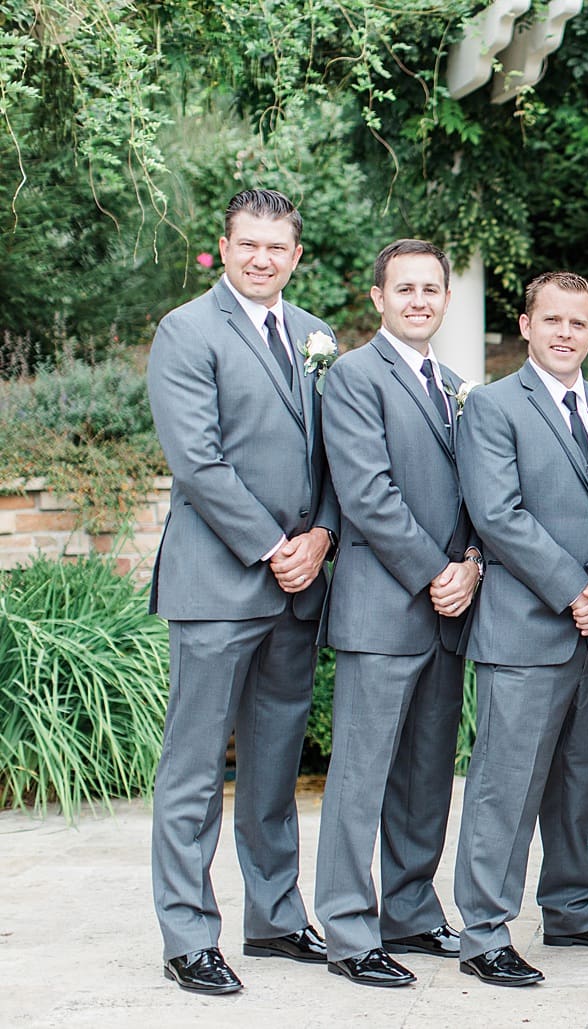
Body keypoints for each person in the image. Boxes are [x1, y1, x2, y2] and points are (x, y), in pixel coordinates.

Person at [147, 187, 338, 994]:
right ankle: (189, 935)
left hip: (298, 587)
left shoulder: (313, 336)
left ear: (296, 255)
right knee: (194, 767)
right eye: (247, 244)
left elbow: (339, 454)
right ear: (222, 247)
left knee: (273, 765)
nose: (262, 258)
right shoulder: (186, 331)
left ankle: (276, 918)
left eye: (277, 246)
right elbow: (197, 459)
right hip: (220, 584)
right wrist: (273, 547)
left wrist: (322, 535)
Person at [452, 271, 588, 988]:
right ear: (526, 325)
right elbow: (497, 515)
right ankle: (484, 929)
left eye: (578, 322)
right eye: (551, 319)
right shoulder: (493, 407)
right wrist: (575, 591)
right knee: (506, 784)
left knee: (577, 780)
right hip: (526, 628)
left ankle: (571, 906)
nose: (565, 333)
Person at [313, 239, 480, 988]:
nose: (418, 298)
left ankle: (410, 910)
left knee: (425, 775)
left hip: (448, 610)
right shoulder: (353, 376)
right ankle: (350, 929)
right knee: (360, 775)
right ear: (377, 297)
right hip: (384, 609)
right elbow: (367, 493)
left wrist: (471, 564)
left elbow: (479, 491)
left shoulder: (452, 384)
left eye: (431, 287)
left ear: (445, 299)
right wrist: (436, 570)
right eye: (403, 287)